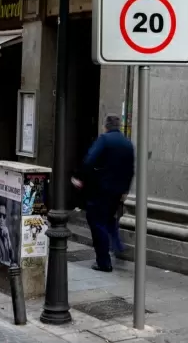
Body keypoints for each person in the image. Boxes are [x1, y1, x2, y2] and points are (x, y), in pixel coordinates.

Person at [72, 114, 135, 272]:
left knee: (96, 222)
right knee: (108, 217)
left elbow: (89, 160)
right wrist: (125, 190)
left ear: (106, 126)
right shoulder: (127, 143)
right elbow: (130, 169)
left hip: (100, 189)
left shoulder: (104, 140)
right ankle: (117, 243)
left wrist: (80, 178)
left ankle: (103, 262)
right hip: (117, 191)